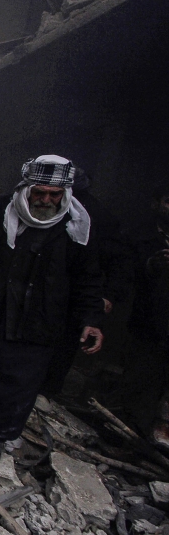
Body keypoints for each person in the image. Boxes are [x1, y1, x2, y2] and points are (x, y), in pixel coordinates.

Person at [0, 155, 104, 464]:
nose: (46, 200)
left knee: (19, 376)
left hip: (39, 315)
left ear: (65, 194)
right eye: (40, 193)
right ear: (27, 188)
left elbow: (88, 279)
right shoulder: (6, 208)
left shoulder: (76, 226)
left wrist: (91, 319)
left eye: (54, 195)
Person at [40, 166, 132, 397]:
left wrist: (109, 295)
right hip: (39, 290)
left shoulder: (97, 216)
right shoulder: (39, 208)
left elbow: (117, 261)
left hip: (72, 295)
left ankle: (44, 397)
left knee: (60, 349)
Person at [123, 183, 169, 448]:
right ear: (156, 204)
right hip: (148, 326)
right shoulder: (141, 237)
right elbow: (124, 274)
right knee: (139, 385)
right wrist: (152, 265)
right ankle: (132, 443)